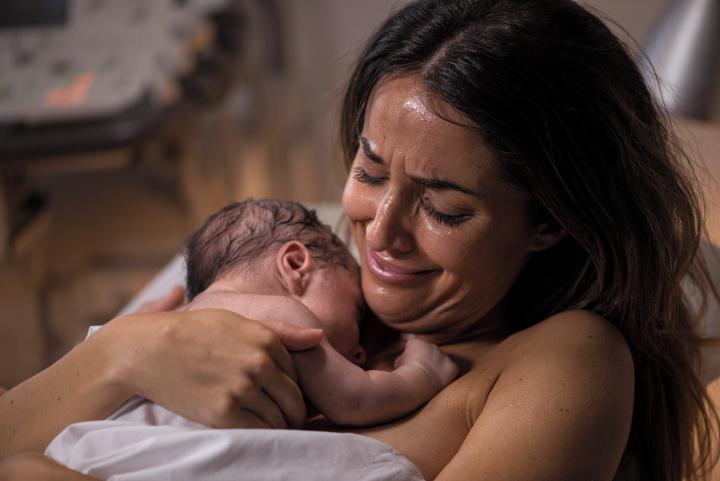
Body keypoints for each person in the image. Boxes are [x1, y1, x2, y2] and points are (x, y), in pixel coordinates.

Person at [1, 0, 718, 480]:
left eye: (443, 208)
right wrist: (128, 349)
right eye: (370, 170)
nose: (382, 229)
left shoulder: (566, 360)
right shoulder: (274, 283)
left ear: (549, 220)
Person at [109, 198, 457, 428]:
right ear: (295, 266)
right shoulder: (284, 315)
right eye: (356, 310)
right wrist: (422, 372)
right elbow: (356, 399)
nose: (361, 351)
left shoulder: (157, 324)